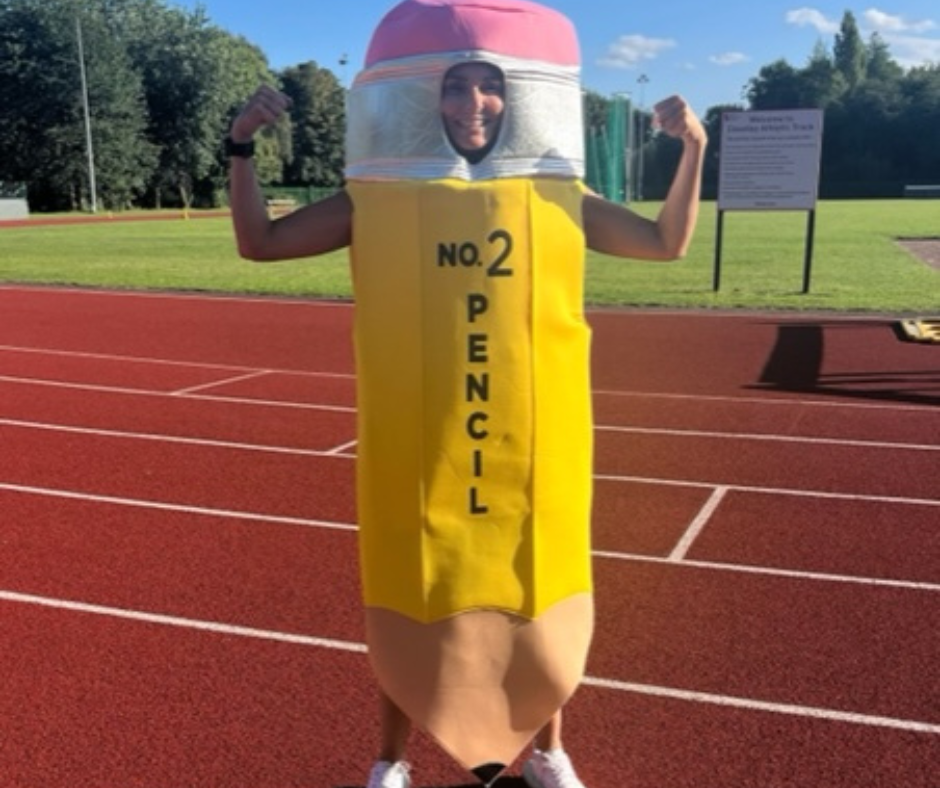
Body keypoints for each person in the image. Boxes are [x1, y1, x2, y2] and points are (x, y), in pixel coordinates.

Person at [229, 47, 705, 788]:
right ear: (429, 98)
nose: (473, 102)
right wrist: (241, 145)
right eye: (455, 87)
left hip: (529, 433)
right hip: (419, 435)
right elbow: (259, 243)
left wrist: (695, 150)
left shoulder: (554, 196)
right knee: (414, 599)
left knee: (538, 590)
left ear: (515, 100)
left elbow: (664, 243)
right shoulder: (377, 196)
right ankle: (390, 761)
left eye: (490, 86)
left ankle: (548, 751)